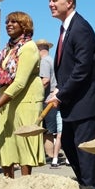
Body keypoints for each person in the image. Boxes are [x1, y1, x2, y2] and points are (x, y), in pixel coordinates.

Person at [46, 0, 95, 189]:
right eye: (50, 0)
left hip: (85, 105)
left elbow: (82, 68)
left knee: (85, 152)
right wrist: (59, 91)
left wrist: (61, 94)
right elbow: (67, 68)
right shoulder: (65, 29)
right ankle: (87, 186)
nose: (50, 4)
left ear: (69, 2)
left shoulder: (81, 28)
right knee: (70, 147)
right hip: (72, 105)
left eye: (55, 0)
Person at [0, 12, 46, 178]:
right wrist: (0, 103)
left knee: (24, 140)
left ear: (24, 25)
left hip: (26, 101)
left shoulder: (29, 47)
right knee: (6, 142)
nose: (9, 24)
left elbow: (20, 82)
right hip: (8, 101)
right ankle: (8, 184)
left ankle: (26, 184)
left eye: (14, 22)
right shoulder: (8, 50)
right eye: (7, 22)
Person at [36, 39, 59, 167]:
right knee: (50, 130)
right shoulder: (52, 60)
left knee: (47, 130)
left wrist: (35, 93)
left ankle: (49, 155)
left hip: (47, 98)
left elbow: (45, 80)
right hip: (53, 96)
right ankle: (50, 154)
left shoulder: (44, 61)